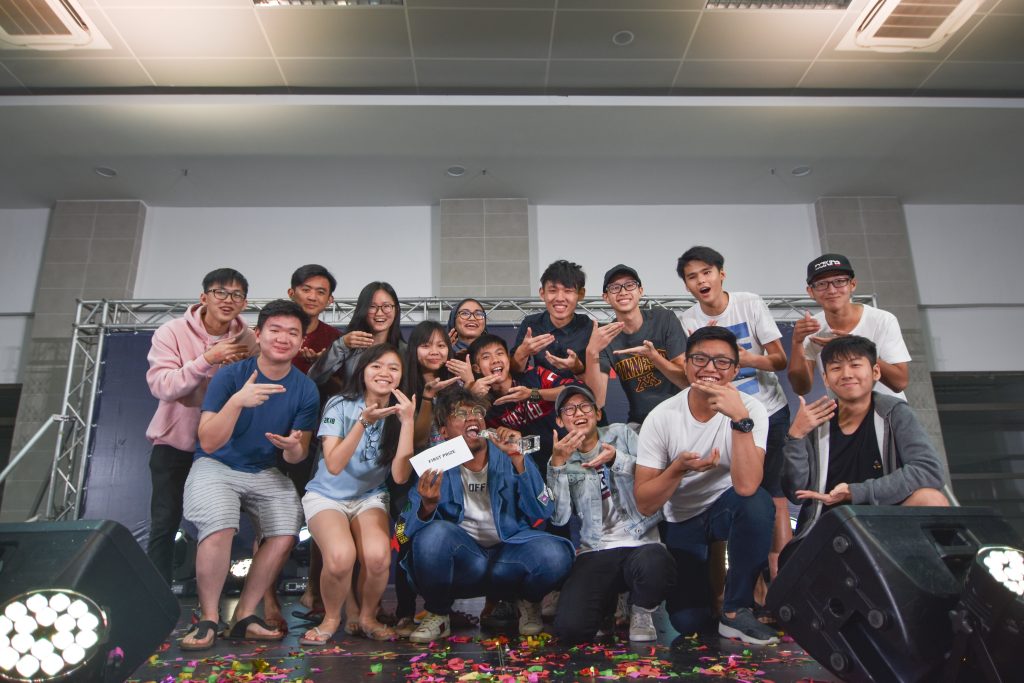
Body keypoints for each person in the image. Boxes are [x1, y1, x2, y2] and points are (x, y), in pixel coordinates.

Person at [179, 299, 320, 651]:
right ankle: (210, 617)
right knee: (221, 523)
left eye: (293, 332)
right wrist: (237, 402)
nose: (283, 338)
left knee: (286, 531)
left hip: (265, 469)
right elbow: (208, 441)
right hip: (217, 465)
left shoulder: (305, 389)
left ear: (302, 342)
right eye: (275, 330)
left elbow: (299, 451)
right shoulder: (230, 375)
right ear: (259, 334)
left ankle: (244, 616)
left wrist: (291, 446)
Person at [635, 326, 778, 645]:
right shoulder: (662, 417)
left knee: (758, 504)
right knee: (690, 621)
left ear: (736, 369)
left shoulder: (751, 409)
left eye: (722, 362)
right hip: (683, 518)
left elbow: (746, 486)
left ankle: (736, 610)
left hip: (727, 506)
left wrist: (740, 421)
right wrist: (678, 468)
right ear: (685, 364)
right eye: (700, 358)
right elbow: (645, 502)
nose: (710, 368)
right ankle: (708, 600)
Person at [400, 386, 575, 643]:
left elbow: (543, 509)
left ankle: (527, 601)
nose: (472, 417)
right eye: (460, 414)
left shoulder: (508, 454)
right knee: (432, 536)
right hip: (468, 563)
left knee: (555, 554)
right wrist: (427, 507)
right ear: (444, 430)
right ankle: (438, 613)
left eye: (477, 412)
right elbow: (405, 531)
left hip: (509, 557)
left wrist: (518, 460)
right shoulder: (435, 464)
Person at [677, 246, 792, 579]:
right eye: (692, 277)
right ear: (686, 285)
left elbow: (779, 360)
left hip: (768, 412)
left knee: (775, 495)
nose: (701, 280)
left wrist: (741, 359)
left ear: (721, 273)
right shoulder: (687, 319)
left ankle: (781, 582)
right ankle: (745, 584)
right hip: (723, 420)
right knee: (738, 498)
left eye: (707, 272)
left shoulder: (749, 303)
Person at [144, 267, 257, 585]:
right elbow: (163, 387)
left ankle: (217, 600)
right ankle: (157, 597)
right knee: (165, 523)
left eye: (236, 295)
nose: (228, 299)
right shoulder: (172, 331)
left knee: (222, 524)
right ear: (203, 296)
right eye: (220, 292)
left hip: (223, 447)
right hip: (174, 443)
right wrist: (208, 359)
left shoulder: (248, 339)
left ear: (244, 302)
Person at [299, 344, 417, 645]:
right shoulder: (339, 404)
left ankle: (366, 617)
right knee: (340, 558)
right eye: (376, 366)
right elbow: (335, 464)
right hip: (326, 495)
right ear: (363, 371)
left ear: (401, 376)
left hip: (369, 496)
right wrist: (364, 422)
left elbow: (400, 476)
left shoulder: (401, 411)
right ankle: (332, 618)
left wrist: (407, 422)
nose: (384, 373)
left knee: (378, 558)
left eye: (393, 368)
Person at [782, 335, 948, 541]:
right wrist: (795, 436)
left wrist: (855, 492)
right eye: (836, 368)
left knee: (931, 499)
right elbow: (795, 492)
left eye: (855, 365)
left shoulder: (894, 413)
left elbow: (929, 471)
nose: (846, 374)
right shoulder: (814, 422)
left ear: (875, 371)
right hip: (830, 527)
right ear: (825, 378)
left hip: (888, 523)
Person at [547, 385, 676, 644]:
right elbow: (559, 517)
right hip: (596, 549)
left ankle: (641, 609)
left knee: (657, 562)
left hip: (640, 541)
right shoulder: (562, 458)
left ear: (596, 412)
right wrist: (558, 466)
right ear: (560, 421)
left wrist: (617, 459)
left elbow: (656, 476)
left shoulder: (621, 434)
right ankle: (607, 604)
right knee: (571, 629)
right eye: (569, 409)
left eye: (585, 406)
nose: (578, 412)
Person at [282, 264, 341, 621]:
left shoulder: (335, 337)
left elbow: (343, 390)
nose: (313, 297)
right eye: (306, 289)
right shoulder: (277, 328)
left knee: (319, 514)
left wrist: (324, 368)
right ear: (292, 292)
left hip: (316, 438)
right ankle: (268, 602)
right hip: (273, 434)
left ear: (330, 300)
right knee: (274, 520)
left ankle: (315, 590)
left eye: (321, 292)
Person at [788, 253, 911, 400]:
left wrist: (856, 347)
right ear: (810, 291)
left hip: (889, 413)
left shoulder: (882, 320)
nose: (832, 290)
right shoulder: (812, 328)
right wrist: (797, 343)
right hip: (845, 416)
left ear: (852, 284)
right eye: (821, 284)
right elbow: (801, 388)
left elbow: (900, 382)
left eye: (839, 281)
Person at [584, 264, 687, 427]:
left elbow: (686, 381)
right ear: (606, 297)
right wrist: (592, 351)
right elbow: (598, 400)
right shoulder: (605, 337)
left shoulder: (664, 319)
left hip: (681, 415)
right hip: (641, 423)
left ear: (640, 290)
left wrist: (655, 358)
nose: (623, 292)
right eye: (615, 287)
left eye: (630, 285)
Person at [308, 281, 404, 386]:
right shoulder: (346, 345)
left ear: (397, 310)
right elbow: (313, 378)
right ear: (362, 309)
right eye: (372, 306)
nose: (379, 313)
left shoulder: (405, 351)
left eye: (386, 306)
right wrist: (341, 346)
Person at [511, 260, 593, 379]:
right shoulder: (531, 324)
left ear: (580, 294)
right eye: (553, 291)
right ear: (542, 293)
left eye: (568, 291)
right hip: (539, 393)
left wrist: (577, 367)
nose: (560, 298)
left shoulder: (589, 327)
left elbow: (593, 382)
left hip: (578, 394)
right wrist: (522, 352)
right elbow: (515, 372)